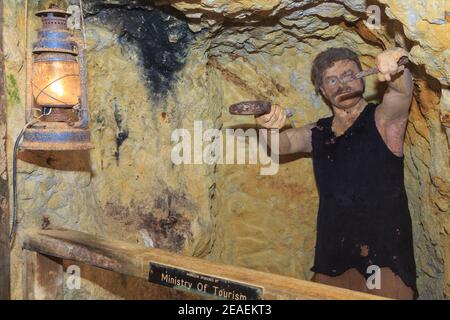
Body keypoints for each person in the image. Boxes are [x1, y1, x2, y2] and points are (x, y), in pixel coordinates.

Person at [256, 47, 417, 299]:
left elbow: (402, 92)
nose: (341, 84)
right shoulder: (318, 133)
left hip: (385, 255)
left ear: (363, 77)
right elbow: (280, 145)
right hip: (332, 258)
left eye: (348, 74)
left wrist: (395, 65)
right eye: (331, 80)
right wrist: (267, 125)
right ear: (322, 90)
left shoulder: (383, 120)